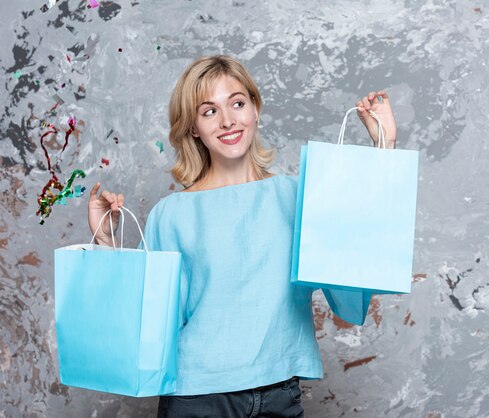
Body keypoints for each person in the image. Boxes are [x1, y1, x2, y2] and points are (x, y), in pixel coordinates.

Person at [87, 55, 397, 417]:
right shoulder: (171, 215)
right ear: (193, 128)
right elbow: (140, 322)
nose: (228, 120)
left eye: (237, 103)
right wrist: (105, 242)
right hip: (196, 398)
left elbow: (349, 282)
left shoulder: (299, 198)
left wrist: (384, 150)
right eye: (209, 111)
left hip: (280, 394)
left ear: (254, 109)